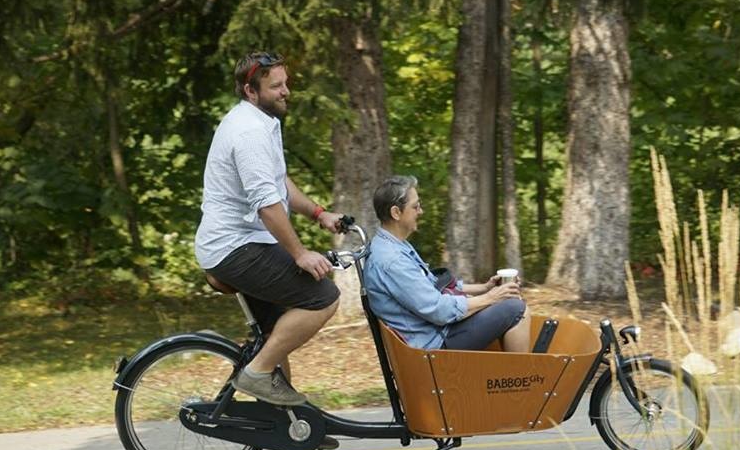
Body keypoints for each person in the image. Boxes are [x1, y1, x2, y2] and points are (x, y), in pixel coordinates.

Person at [195, 51, 344, 411]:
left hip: (242, 244)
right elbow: (267, 204)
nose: (286, 91)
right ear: (250, 90)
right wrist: (300, 254)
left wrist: (318, 212)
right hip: (234, 248)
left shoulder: (262, 122)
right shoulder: (247, 132)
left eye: (286, 82)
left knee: (275, 330)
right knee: (323, 296)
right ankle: (258, 372)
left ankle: (291, 423)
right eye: (276, 85)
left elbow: (278, 182)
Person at [363, 175, 531, 352]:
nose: (420, 211)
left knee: (509, 303)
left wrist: (485, 288)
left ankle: (514, 376)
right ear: (396, 212)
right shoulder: (392, 261)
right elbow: (438, 311)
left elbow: (433, 286)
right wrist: (491, 298)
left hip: (437, 331)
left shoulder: (393, 246)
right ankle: (521, 379)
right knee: (516, 309)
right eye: (415, 206)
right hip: (436, 344)